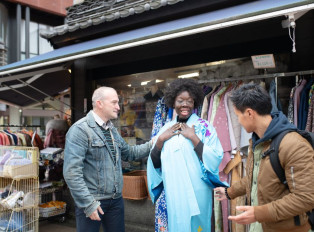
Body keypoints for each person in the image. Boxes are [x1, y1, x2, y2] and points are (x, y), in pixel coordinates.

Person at [214, 83, 314, 232]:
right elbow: (257, 177)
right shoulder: (258, 141)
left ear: (249, 113)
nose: (238, 122)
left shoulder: (293, 144)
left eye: (237, 116)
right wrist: (229, 192)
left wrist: (258, 213)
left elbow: (305, 198)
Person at [63, 86, 153, 232]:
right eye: (114, 102)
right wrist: (88, 204)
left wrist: (154, 143)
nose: (118, 107)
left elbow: (129, 153)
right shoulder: (80, 130)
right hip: (92, 201)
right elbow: (72, 173)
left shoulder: (111, 130)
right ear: (100, 103)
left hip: (115, 201)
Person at [147, 78, 227, 232]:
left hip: (198, 191)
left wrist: (194, 137)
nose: (185, 104)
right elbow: (155, 163)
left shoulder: (205, 127)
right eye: (180, 100)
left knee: (198, 227)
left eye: (189, 101)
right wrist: (160, 141)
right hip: (174, 191)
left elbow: (216, 157)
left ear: (195, 102)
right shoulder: (166, 129)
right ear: (173, 103)